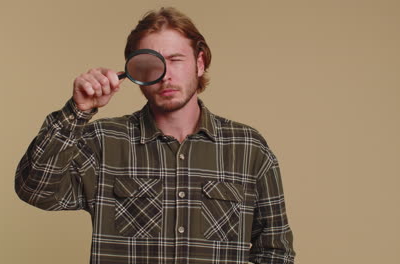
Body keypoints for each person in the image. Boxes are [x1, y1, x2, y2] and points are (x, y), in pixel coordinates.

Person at [15, 7, 295, 264]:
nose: (165, 76)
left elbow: (275, 251)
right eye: (150, 65)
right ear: (135, 73)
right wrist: (78, 110)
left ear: (199, 63)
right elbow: (35, 190)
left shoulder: (248, 148)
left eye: (175, 60)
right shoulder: (104, 141)